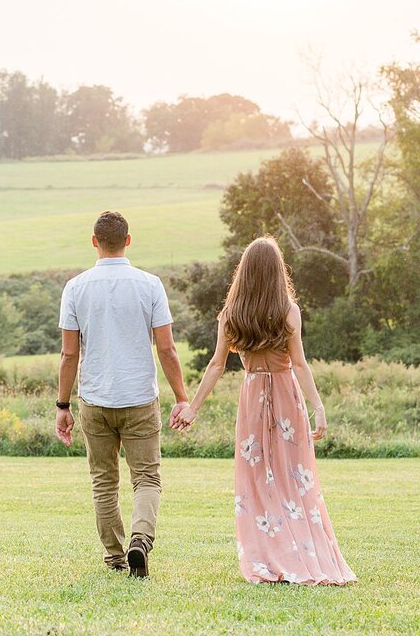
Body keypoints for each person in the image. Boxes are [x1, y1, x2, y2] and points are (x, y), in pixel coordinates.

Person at [172, 235, 356, 585]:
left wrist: (193, 408)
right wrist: (318, 407)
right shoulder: (288, 311)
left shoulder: (231, 315)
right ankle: (299, 551)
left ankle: (267, 556)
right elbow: (300, 364)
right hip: (288, 397)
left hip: (252, 396)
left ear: (244, 272)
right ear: (276, 273)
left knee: (257, 481)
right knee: (295, 479)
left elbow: (215, 365)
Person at [55, 211, 191, 578]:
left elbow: (70, 354)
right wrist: (182, 397)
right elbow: (167, 349)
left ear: (95, 242)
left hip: (95, 400)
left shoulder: (76, 287)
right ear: (128, 240)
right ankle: (140, 542)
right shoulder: (150, 285)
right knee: (146, 479)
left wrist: (62, 405)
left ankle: (115, 557)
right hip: (140, 399)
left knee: (104, 481)